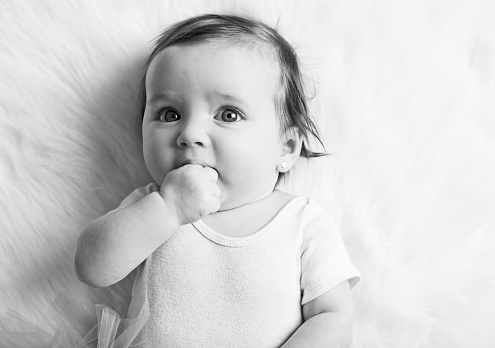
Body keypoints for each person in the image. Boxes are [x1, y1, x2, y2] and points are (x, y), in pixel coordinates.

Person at [74, 13, 361, 348]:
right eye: (170, 114)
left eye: (228, 114)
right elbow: (92, 267)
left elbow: (333, 316)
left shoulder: (302, 223)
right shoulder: (151, 206)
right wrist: (168, 210)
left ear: (286, 146)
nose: (190, 134)